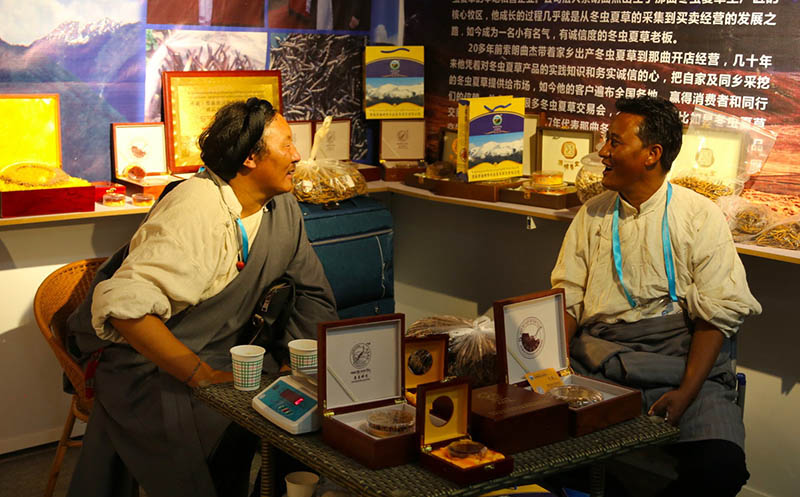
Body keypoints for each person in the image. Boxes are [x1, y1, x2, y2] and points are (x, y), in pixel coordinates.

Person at [66, 98, 338, 497]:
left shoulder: (283, 207)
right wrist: (202, 376)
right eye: (286, 146)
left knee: (307, 422)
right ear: (249, 158)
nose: (297, 156)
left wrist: (296, 364)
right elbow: (124, 309)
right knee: (223, 437)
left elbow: (313, 293)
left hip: (232, 355)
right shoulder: (195, 208)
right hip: (153, 366)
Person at [551, 96, 761, 497]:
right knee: (539, 450)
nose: (603, 152)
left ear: (652, 154)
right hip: (600, 363)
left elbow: (716, 314)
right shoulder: (592, 213)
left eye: (614, 142)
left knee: (722, 467)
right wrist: (557, 376)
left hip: (683, 365)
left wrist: (686, 392)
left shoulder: (701, 215)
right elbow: (568, 300)